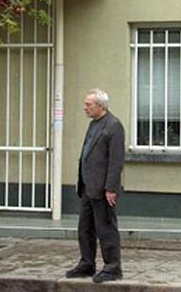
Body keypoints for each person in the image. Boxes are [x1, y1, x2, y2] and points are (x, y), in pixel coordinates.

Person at [65, 88, 125, 283]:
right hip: (88, 187)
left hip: (102, 189)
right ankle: (87, 263)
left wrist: (111, 188)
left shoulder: (114, 126)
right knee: (85, 228)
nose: (85, 108)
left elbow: (116, 161)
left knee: (106, 228)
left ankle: (112, 267)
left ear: (101, 106)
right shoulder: (93, 124)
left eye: (88, 104)